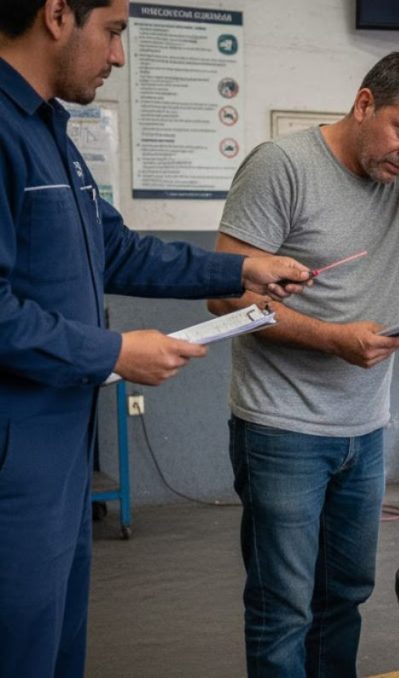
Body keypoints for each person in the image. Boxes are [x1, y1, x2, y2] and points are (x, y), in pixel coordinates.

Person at [0, 1, 313, 675]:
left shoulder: (50, 128)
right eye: (112, 31)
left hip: (60, 452)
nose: (118, 55)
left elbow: (119, 250)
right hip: (15, 461)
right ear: (57, 13)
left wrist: (241, 267)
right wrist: (113, 353)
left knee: (56, 646)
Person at [208, 49, 399, 676]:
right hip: (280, 426)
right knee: (283, 607)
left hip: (364, 429)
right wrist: (332, 338)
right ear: (364, 103)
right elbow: (225, 292)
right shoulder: (282, 166)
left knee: (343, 598)